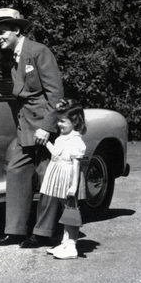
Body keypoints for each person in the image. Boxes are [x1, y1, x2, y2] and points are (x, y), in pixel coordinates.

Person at [0, 8, 64, 248]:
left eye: (2, 32)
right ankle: (15, 231)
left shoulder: (39, 52)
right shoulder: (10, 55)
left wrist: (48, 127)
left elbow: (56, 95)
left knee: (47, 178)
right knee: (17, 172)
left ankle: (43, 233)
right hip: (25, 126)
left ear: (17, 30)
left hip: (42, 128)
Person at [41, 99, 87, 259]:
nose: (59, 124)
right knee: (64, 210)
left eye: (62, 121)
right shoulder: (62, 137)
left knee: (71, 212)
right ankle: (64, 242)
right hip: (59, 175)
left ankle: (72, 245)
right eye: (58, 120)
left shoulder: (75, 140)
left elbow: (75, 165)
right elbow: (56, 153)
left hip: (68, 178)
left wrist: (73, 186)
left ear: (74, 121)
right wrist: (46, 143)